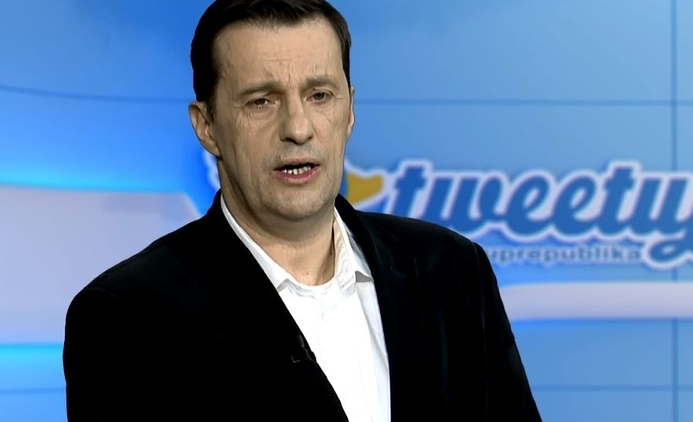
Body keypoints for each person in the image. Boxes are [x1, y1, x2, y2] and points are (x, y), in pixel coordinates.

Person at [62, 0, 542, 420]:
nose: (297, 127)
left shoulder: (452, 270)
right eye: (261, 101)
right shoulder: (128, 318)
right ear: (207, 126)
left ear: (349, 111)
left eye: (319, 96)